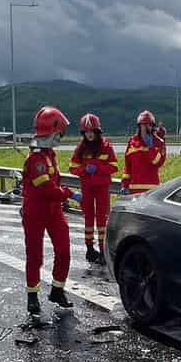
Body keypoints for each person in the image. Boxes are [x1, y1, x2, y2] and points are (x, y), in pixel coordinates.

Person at [22, 106, 76, 316]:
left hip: (54, 212)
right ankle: (32, 296)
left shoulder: (49, 155)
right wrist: (70, 194)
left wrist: (63, 196)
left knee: (64, 251)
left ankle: (57, 290)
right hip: (35, 213)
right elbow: (47, 189)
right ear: (52, 131)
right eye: (60, 134)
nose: (61, 138)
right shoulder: (35, 160)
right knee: (35, 256)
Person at [69, 113, 119, 264]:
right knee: (89, 218)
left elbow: (114, 167)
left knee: (102, 218)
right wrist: (84, 170)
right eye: (86, 132)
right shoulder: (80, 148)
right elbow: (72, 168)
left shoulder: (106, 147)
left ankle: (103, 251)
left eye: (91, 131)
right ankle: (90, 249)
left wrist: (97, 167)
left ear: (97, 131)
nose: (89, 134)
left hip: (102, 187)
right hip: (87, 188)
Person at [121, 110, 168, 195]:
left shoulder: (159, 142)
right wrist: (125, 184)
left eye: (148, 125)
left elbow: (157, 162)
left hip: (152, 189)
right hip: (134, 189)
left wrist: (150, 147)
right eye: (143, 125)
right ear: (139, 127)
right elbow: (128, 167)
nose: (145, 128)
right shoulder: (132, 142)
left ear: (153, 126)